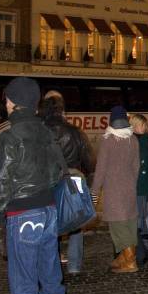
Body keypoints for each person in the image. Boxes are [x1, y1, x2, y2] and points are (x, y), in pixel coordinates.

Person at [0, 77, 67, 294]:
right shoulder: (45, 132)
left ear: (13, 103)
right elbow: (59, 171)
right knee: (51, 277)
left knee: (24, 284)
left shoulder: (9, 137)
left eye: (7, 99)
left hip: (22, 214)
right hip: (49, 211)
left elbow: (2, 182)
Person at [40, 93, 95, 275]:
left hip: (46, 182)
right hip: (71, 180)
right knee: (75, 219)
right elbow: (89, 160)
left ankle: (52, 263)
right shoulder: (74, 131)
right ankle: (74, 265)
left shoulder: (38, 131)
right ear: (63, 111)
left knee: (50, 222)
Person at [91, 106, 140, 273]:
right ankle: (124, 259)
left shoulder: (108, 140)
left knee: (118, 226)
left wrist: (95, 192)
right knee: (130, 224)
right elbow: (136, 166)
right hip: (129, 188)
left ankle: (130, 261)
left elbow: (101, 168)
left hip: (113, 189)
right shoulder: (133, 139)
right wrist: (131, 182)